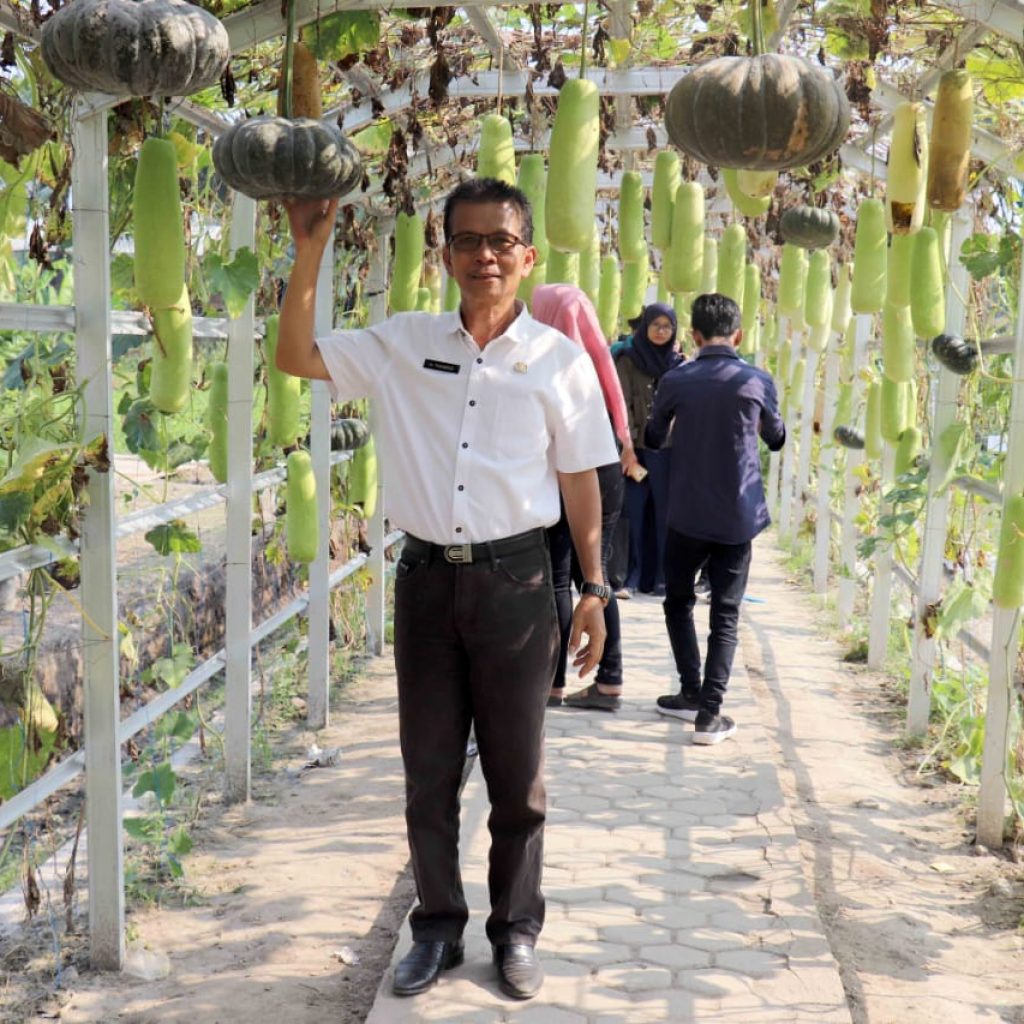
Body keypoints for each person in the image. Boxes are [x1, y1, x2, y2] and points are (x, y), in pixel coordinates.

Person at [275, 178, 617, 1001]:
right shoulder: (403, 343)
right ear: (447, 254)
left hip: (517, 582)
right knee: (428, 773)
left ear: (527, 255)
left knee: (517, 776)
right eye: (467, 241)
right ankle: (435, 927)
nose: (485, 255)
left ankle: (516, 932)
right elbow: (297, 357)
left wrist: (597, 592)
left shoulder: (559, 362)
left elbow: (579, 483)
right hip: (426, 581)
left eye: (500, 241)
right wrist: (310, 248)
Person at [645, 293, 786, 745]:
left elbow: (651, 436)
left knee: (678, 603)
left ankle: (690, 689)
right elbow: (777, 438)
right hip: (736, 517)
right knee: (725, 614)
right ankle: (709, 714)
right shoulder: (756, 380)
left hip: (685, 512)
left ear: (694, 336)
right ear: (738, 335)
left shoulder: (676, 379)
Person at [531, 284, 637, 712]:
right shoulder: (597, 364)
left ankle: (553, 684)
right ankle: (610, 680)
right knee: (596, 579)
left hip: (566, 473)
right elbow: (616, 414)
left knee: (557, 577)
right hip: (608, 471)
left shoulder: (544, 361)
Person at [615, 304, 681, 596]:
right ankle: (631, 577)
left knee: (665, 514)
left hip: (668, 452)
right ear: (645, 327)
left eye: (667, 326)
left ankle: (662, 578)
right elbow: (621, 407)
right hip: (636, 451)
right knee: (635, 512)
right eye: (656, 325)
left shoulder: (680, 364)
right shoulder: (627, 360)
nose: (661, 331)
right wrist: (626, 448)